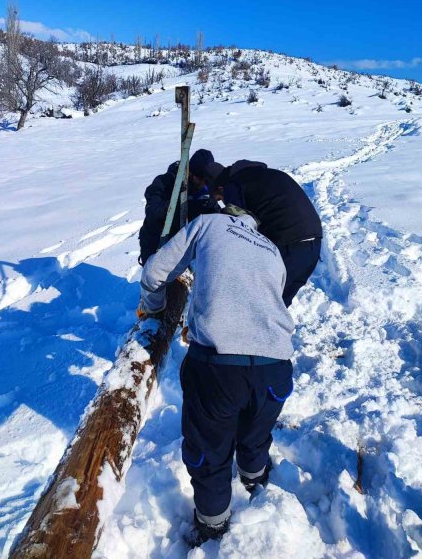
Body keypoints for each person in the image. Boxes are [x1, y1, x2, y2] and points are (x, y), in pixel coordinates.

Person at [139, 205, 295, 547]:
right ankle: (256, 479)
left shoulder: (209, 223)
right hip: (277, 368)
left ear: (227, 212)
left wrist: (154, 309)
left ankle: (212, 527)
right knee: (255, 433)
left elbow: (154, 272)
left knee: (209, 452)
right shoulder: (272, 250)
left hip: (219, 368)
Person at [200, 159, 323, 306]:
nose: (222, 201)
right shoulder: (266, 175)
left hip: (288, 244)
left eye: (220, 198)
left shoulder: (233, 185)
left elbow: (235, 227)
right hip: (313, 243)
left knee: (262, 306)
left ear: (220, 187)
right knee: (278, 307)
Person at [138, 148, 221, 265]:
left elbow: (214, 213)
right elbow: (153, 211)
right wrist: (184, 204)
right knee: (156, 280)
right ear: (190, 173)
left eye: (206, 181)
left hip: (183, 245)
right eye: (201, 179)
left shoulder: (205, 188)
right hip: (157, 242)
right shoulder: (165, 182)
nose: (204, 185)